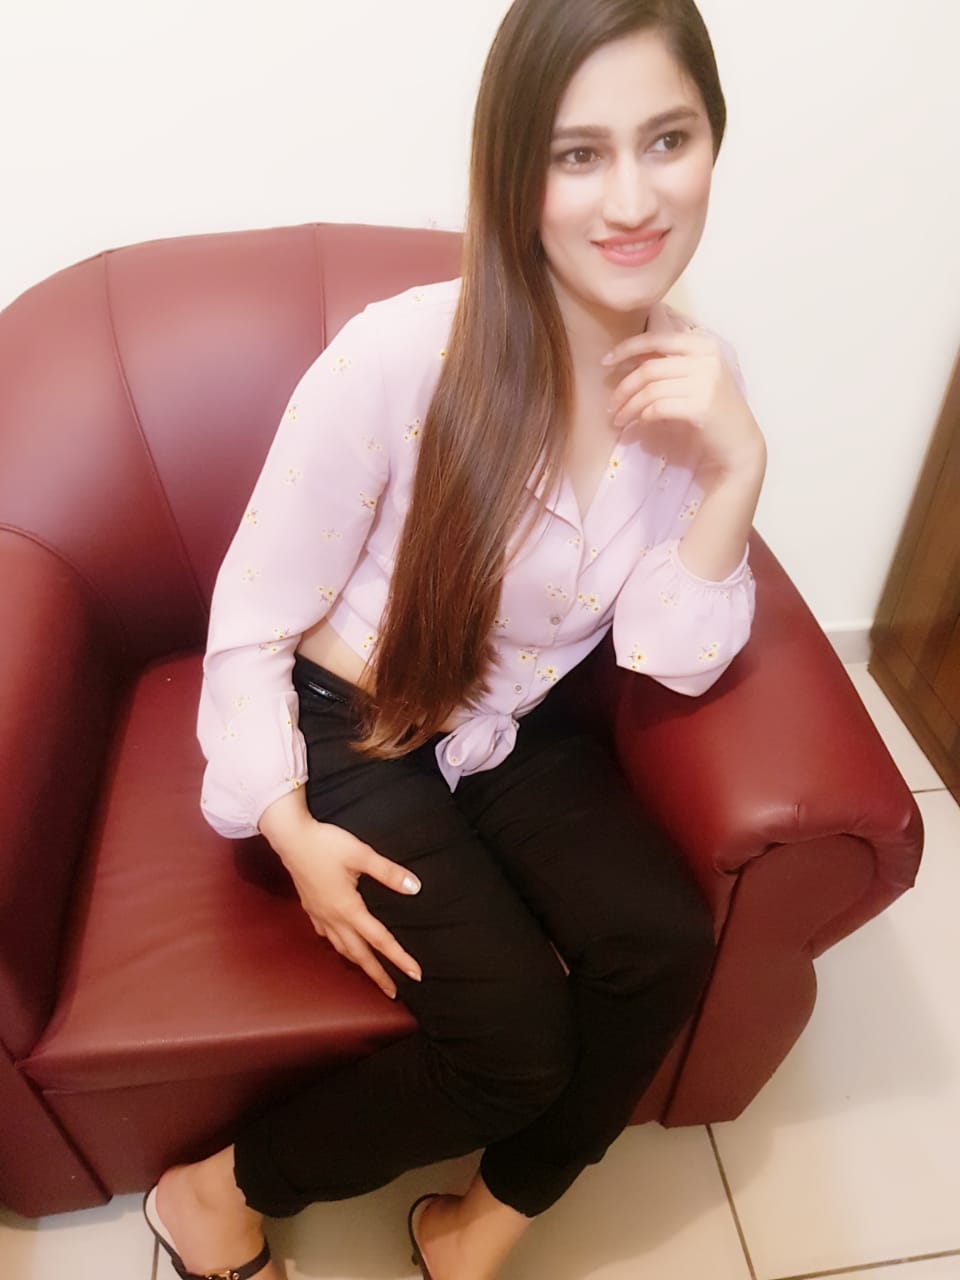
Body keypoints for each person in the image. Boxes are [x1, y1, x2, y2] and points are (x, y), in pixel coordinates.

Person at [142, 1, 766, 1277]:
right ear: (514, 168)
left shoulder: (695, 386)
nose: (633, 197)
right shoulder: (401, 354)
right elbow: (250, 616)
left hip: (504, 723)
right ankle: (210, 1192)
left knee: (661, 944)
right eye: (578, 153)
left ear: (714, 141)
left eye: (669, 138)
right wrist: (291, 828)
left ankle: (481, 1225)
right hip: (351, 724)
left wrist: (737, 468)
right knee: (514, 1044)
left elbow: (667, 652)